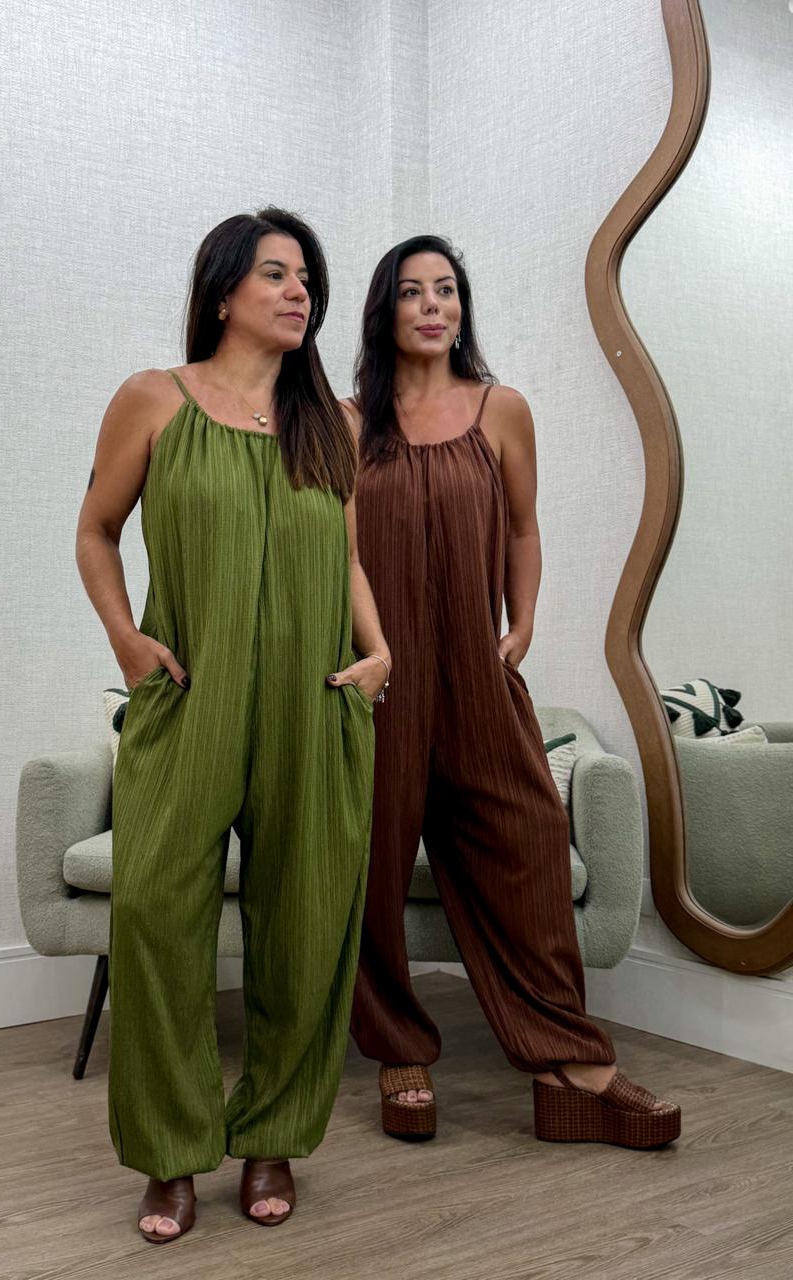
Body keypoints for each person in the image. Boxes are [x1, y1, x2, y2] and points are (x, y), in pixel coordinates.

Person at [75, 208, 390, 1243]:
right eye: (276, 274)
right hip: (190, 698)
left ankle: (272, 1138)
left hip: (315, 700)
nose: (301, 293)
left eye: (307, 279)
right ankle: (170, 1154)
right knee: (157, 915)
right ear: (221, 293)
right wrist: (128, 641)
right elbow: (95, 529)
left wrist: (379, 651)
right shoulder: (153, 399)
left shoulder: (333, 425)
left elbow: (347, 557)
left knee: (304, 921)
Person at [343, 235, 679, 1150]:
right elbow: (332, 552)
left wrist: (521, 625)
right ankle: (399, 1052)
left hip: (476, 672)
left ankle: (570, 1064)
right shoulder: (346, 421)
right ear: (383, 311)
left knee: (529, 841)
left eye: (446, 290)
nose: (432, 305)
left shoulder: (503, 410)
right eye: (412, 291)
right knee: (370, 863)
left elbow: (524, 529)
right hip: (378, 680)